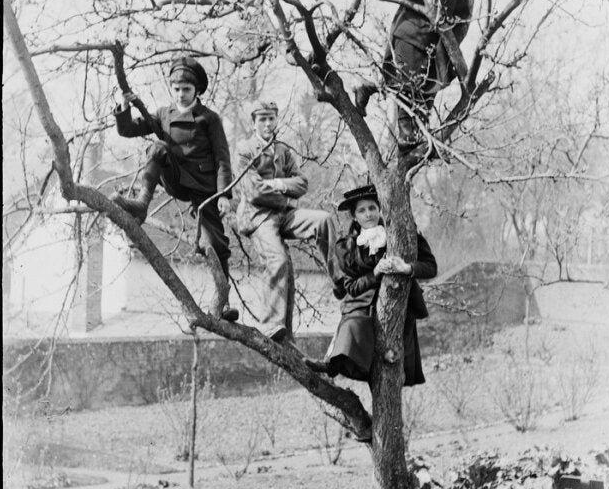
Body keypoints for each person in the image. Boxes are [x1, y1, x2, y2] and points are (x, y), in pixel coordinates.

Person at [111, 54, 239, 322]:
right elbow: (128, 131)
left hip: (204, 188)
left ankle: (223, 305)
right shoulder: (163, 114)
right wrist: (125, 108)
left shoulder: (209, 118)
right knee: (158, 148)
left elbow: (222, 158)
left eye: (187, 90)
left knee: (214, 243)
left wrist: (225, 194)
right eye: (177, 89)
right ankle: (142, 203)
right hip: (177, 178)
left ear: (197, 90)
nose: (181, 95)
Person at [355, 0, 482, 151]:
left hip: (437, 41)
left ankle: (374, 93)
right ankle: (406, 133)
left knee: (428, 83)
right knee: (407, 83)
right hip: (414, 32)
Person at [235, 100, 337, 343]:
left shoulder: (282, 150)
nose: (268, 123)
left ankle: (342, 279)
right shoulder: (244, 149)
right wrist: (284, 197)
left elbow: (302, 183)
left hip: (284, 215)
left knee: (323, 220)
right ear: (254, 123)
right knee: (278, 259)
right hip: (259, 217)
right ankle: (271, 325)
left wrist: (279, 184)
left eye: (271, 118)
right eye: (262, 119)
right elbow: (254, 192)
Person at [326, 185, 437, 387]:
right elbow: (351, 287)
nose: (368, 214)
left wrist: (407, 268)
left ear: (380, 209)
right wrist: (375, 273)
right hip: (362, 310)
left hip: (399, 308)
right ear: (354, 216)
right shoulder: (347, 246)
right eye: (361, 210)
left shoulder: (401, 236)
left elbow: (431, 267)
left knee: (391, 362)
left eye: (372, 208)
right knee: (354, 331)